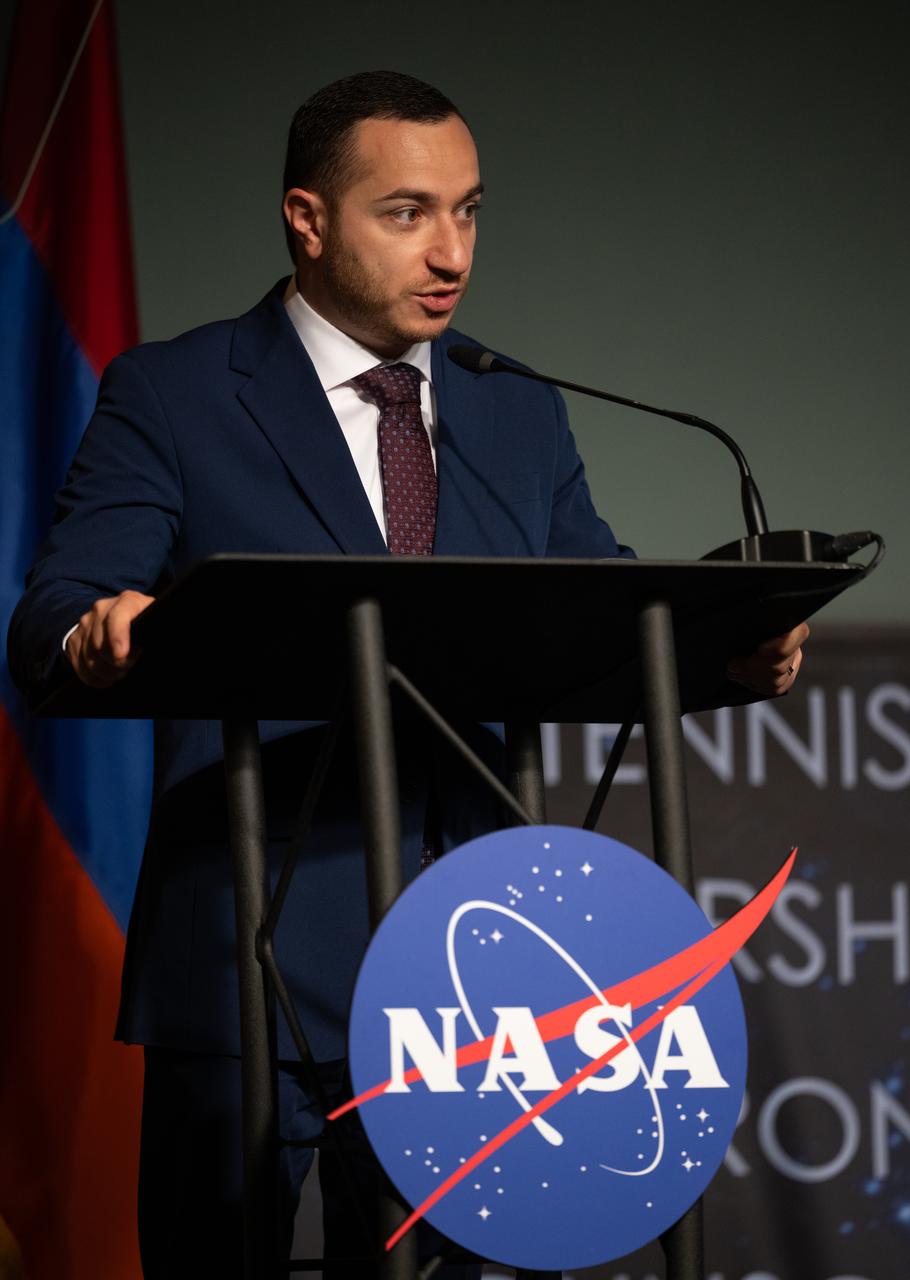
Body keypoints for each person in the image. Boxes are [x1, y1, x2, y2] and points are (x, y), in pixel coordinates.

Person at [7, 70, 807, 1277]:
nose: (451, 250)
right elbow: (55, 609)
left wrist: (730, 645)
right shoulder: (175, 394)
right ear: (307, 217)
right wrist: (97, 626)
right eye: (408, 211)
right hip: (252, 956)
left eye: (470, 210)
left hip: (471, 974)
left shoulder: (515, 408)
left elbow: (601, 614)